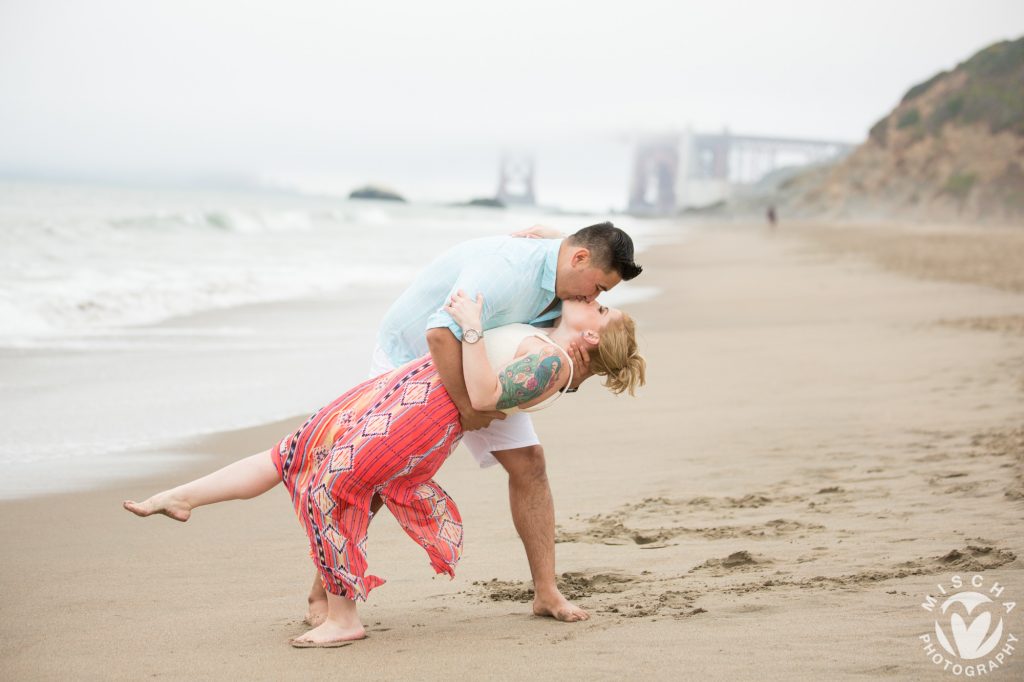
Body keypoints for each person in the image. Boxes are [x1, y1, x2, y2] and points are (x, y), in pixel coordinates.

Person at [123, 296, 646, 648]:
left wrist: (469, 326)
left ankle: (344, 618)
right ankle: (183, 496)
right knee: (295, 451)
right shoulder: (553, 338)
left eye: (601, 307)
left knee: (339, 487)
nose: (593, 300)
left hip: (424, 415)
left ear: (594, 337)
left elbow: (484, 397)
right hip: (407, 388)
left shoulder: (552, 366)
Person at [303, 221, 644, 626]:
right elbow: (439, 335)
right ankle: (321, 593)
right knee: (377, 479)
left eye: (601, 296)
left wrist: (571, 377)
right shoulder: (503, 273)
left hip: (488, 362)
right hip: (415, 360)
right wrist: (468, 408)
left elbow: (554, 353)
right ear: (579, 259)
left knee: (530, 465)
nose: (593, 297)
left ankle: (546, 593)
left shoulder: (567, 275)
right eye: (598, 289)